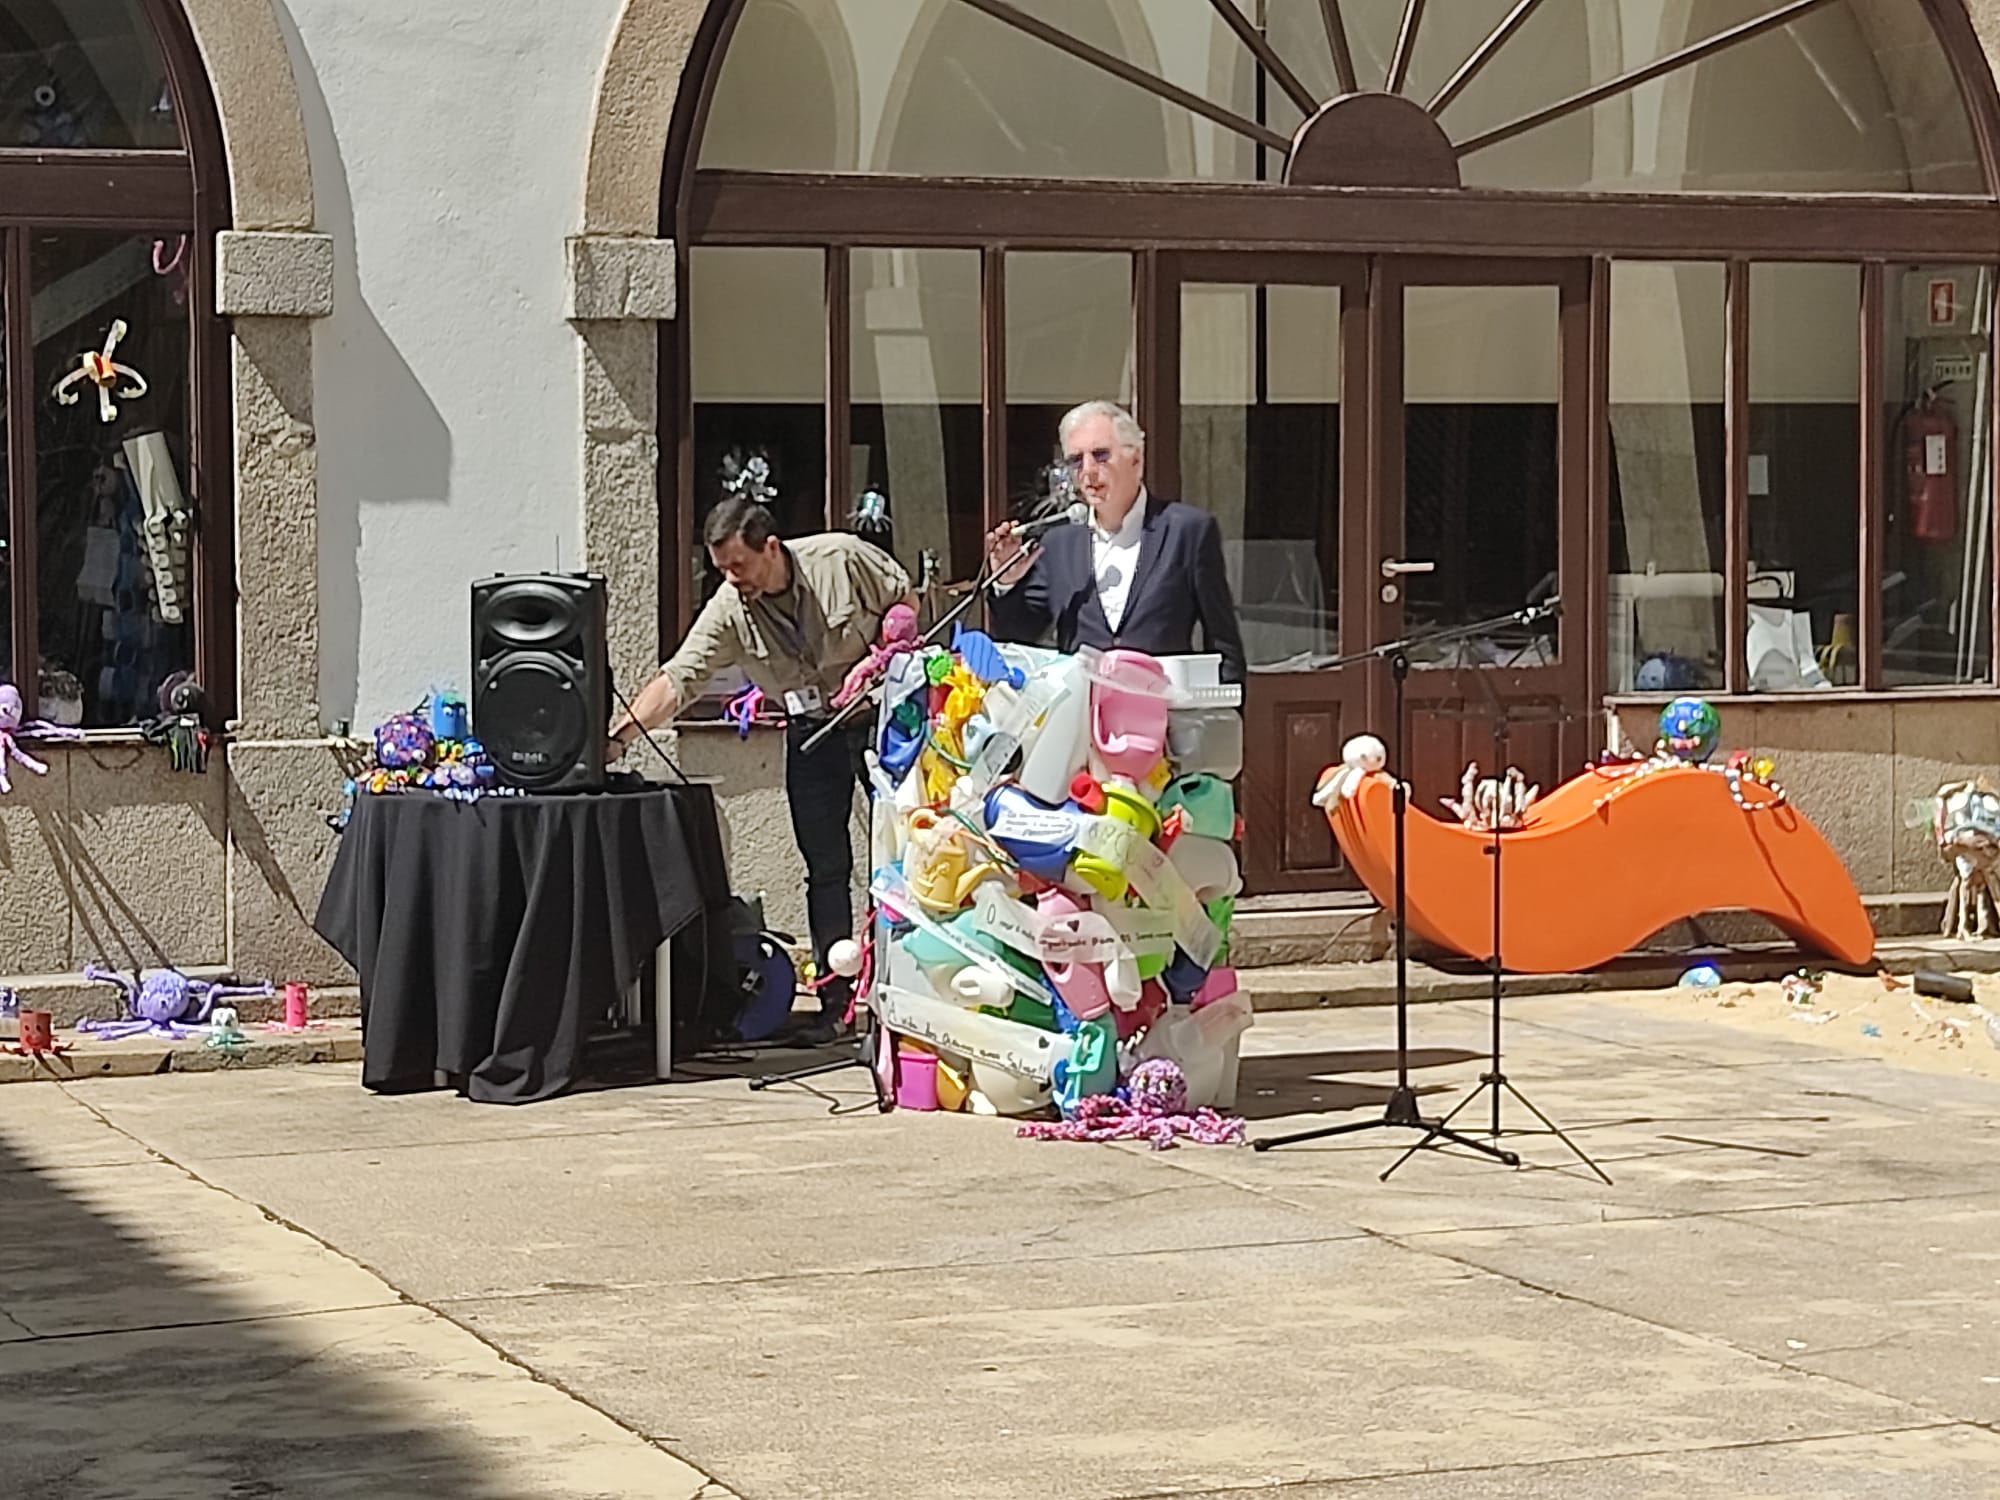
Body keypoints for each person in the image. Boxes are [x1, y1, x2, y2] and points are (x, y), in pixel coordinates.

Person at [611, 495, 915, 1042]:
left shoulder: (840, 558)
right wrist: (621, 734)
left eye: (739, 565)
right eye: (722, 567)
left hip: (881, 722)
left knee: (900, 862)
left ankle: (903, 1000)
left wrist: (886, 654)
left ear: (770, 547)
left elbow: (905, 602)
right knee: (825, 868)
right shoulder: (730, 607)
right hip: (812, 735)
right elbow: (681, 677)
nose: (731, 578)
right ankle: (836, 1006)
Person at [984, 400, 1245, 682]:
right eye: (1076, 460)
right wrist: (1006, 582)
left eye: (1100, 455)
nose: (1088, 471)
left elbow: (1223, 644)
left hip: (1163, 715)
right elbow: (1019, 636)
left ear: (1136, 459)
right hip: (1083, 715)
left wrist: (1226, 718)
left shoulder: (1187, 531)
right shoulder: (1059, 543)